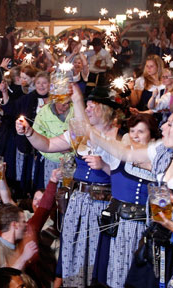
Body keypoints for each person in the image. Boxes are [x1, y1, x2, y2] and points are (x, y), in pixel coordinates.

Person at [16, 84, 118, 286]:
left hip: (102, 206)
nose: (87, 110)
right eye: (86, 105)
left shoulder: (120, 136)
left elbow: (126, 179)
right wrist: (29, 132)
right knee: (73, 252)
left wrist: (105, 166)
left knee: (96, 256)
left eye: (92, 106)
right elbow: (48, 145)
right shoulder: (79, 132)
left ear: (105, 109)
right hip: (77, 202)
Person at [92, 114, 159, 287]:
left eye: (141, 131)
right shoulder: (120, 156)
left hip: (146, 229)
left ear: (152, 136)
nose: (135, 135)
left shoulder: (161, 164)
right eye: (132, 131)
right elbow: (98, 140)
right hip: (120, 226)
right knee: (116, 273)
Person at [0, 204, 38, 270]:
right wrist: (24, 257)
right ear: (15, 225)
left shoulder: (17, 247)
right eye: (23, 222)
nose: (26, 225)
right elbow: (5, 277)